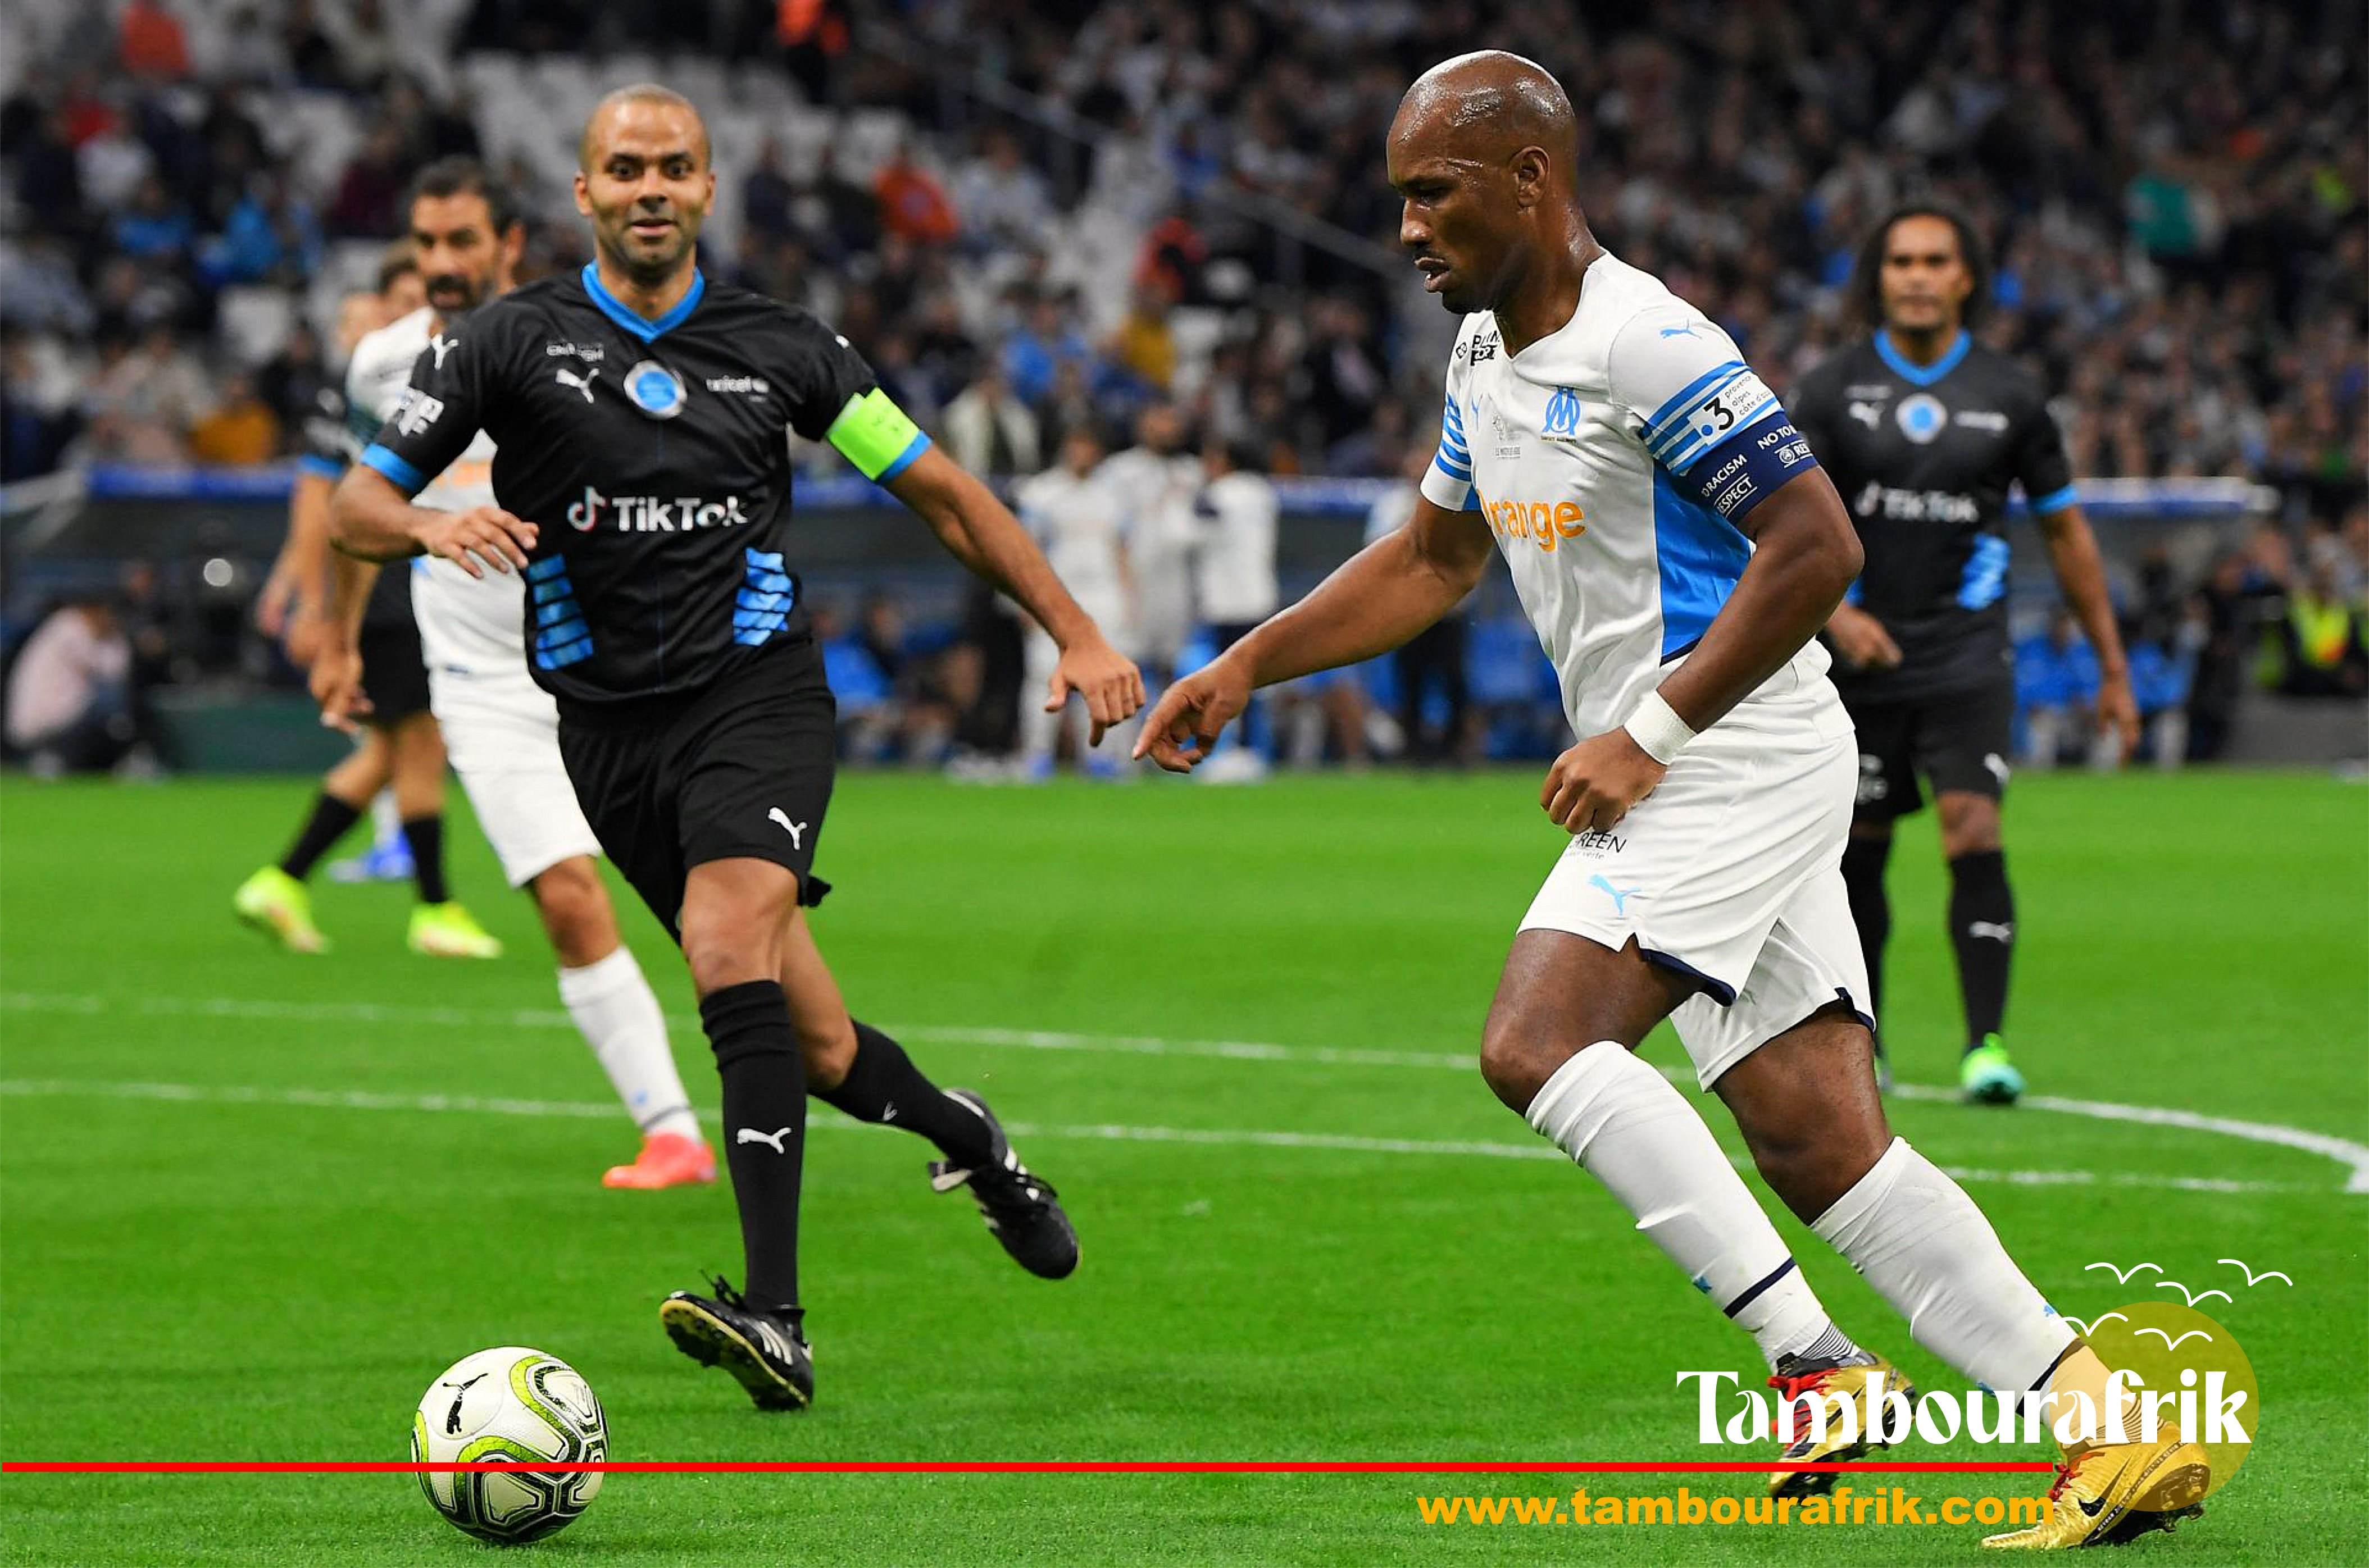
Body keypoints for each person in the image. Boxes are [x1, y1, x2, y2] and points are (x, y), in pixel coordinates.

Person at [1138, 54, 2204, 1550]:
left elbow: (1815, 545)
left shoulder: (1648, 342)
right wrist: (1248, 664)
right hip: (1711, 757)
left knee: (1535, 1043)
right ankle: (2111, 1430)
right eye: (1398, 200)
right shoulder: (1487, 357)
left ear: (1529, 179)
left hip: (1733, 752)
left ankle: (1819, 1369)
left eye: (1431, 193)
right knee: (1823, 1145)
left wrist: (1646, 729)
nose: (1406, 232)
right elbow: (1433, 561)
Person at [332, 85, 1143, 1412]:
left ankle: (775, 1315)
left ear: (709, 191)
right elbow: (360, 496)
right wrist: (423, 527)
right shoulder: (504, 342)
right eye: (625, 169)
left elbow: (939, 488)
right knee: (813, 1044)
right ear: (584, 194)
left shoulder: (784, 347)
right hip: (604, 732)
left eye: (675, 168)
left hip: (754, 699)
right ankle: (975, 1142)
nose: (650, 187)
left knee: (723, 948)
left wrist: (1075, 628)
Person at [306, 157, 715, 1191]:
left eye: (461, 243)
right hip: (482, 684)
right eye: (426, 243)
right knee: (568, 897)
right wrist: (345, 638)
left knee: (714, 908)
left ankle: (821, 1076)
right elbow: (358, 509)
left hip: (612, 667)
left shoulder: (586, 346)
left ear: (508, 246)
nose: (441, 264)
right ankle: (672, 1130)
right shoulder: (380, 365)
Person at [1789, 207, 2137, 1106]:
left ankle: (1986, 1046)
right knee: (1857, 850)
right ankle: (1868, 1043)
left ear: (1965, 278)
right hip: (1857, 664)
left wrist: (2111, 666)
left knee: (1972, 830)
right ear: (1879, 276)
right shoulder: (1829, 390)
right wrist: (1834, 618)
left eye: (1934, 260)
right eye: (1901, 260)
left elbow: (2065, 536)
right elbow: (1783, 526)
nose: (1916, 275)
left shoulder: (2012, 396)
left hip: (1964, 657)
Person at [233, 251, 498, 959]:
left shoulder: (433, 380)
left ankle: (286, 881)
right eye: (403, 297)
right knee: (415, 745)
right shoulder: (363, 390)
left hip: (403, 578)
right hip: (390, 582)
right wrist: (311, 603)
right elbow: (324, 499)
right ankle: (432, 906)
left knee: (397, 747)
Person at [1014, 425, 1132, 779]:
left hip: (1104, 594)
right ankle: (1036, 756)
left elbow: (1122, 551)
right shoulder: (1041, 492)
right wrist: (1025, 600)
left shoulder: (1112, 495)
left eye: (1088, 445)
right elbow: (1024, 551)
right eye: (1076, 445)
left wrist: (1130, 598)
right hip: (1057, 593)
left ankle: (1102, 758)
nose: (1082, 452)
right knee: (1043, 676)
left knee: (1106, 677)